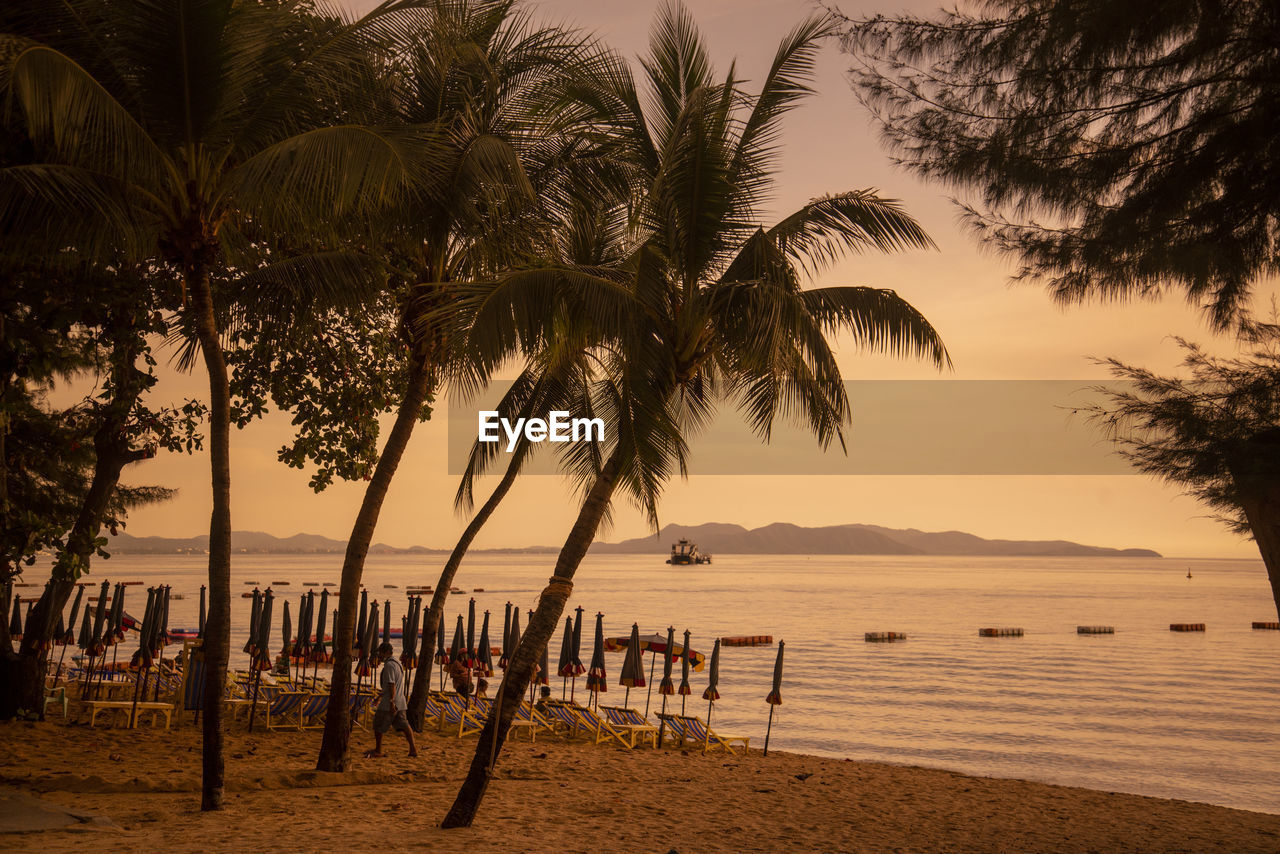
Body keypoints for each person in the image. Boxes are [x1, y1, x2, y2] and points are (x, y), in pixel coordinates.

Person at [366, 642, 417, 759]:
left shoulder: (389, 666)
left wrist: (391, 702)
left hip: (390, 703)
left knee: (378, 725)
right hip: (401, 701)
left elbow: (391, 684)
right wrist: (380, 696)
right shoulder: (397, 664)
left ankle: (378, 750)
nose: (379, 655)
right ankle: (413, 749)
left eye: (380, 653)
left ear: (385, 653)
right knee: (404, 725)